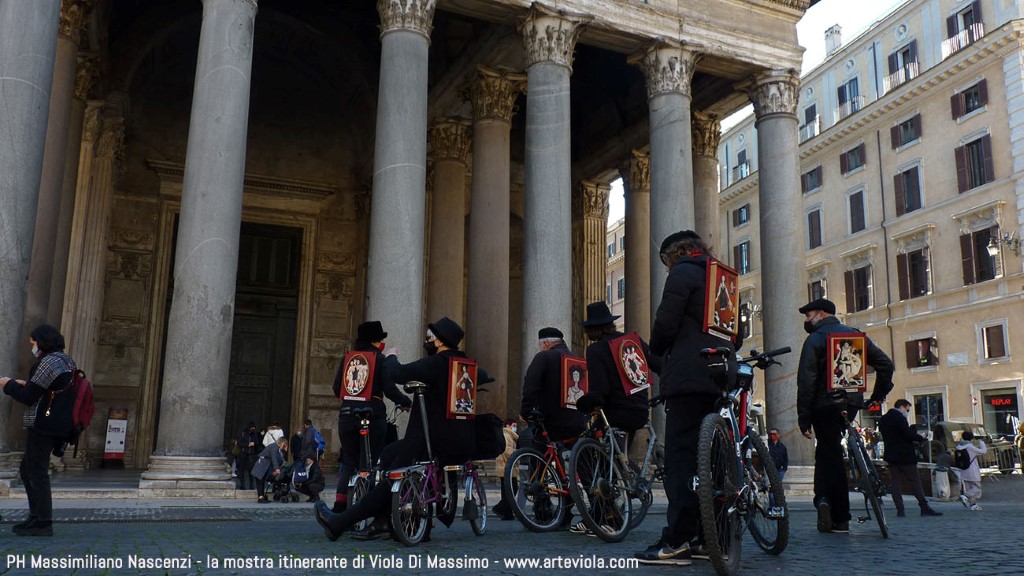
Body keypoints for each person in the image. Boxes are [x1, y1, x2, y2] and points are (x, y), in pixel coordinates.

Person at [314, 316, 480, 541]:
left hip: (430, 440)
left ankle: (340, 521)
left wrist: (390, 357)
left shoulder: (436, 363)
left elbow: (399, 373)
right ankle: (383, 522)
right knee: (389, 455)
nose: (427, 341)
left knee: (390, 474)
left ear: (440, 342)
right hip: (456, 440)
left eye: (429, 338)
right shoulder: (464, 365)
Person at [633, 230, 737, 566]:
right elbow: (736, 331)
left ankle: (677, 540)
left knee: (680, 460)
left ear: (674, 254)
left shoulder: (684, 271)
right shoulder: (721, 274)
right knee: (715, 461)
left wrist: (659, 350)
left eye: (666, 262)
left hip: (688, 374)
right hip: (721, 373)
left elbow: (666, 320)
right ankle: (714, 538)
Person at [797, 298, 894, 534]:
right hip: (849, 404)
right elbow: (886, 365)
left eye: (808, 316)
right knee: (832, 451)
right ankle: (832, 509)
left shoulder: (815, 339)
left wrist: (804, 417)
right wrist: (878, 395)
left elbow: (806, 381)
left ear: (820, 314)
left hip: (823, 406)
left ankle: (832, 509)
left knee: (828, 454)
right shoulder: (855, 336)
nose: (807, 321)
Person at [0, 325, 77, 537]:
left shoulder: (48, 362)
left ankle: (42, 521)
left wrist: (8, 385)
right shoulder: (66, 360)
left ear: (42, 342)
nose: (32, 347)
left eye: (33, 343)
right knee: (28, 470)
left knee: (36, 472)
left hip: (42, 424)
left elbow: (29, 397)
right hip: (55, 423)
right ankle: (36, 517)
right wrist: (27, 385)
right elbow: (47, 389)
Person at [331, 320, 412, 513]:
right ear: (376, 341)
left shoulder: (348, 358)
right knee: (370, 461)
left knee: (349, 460)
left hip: (347, 415)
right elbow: (389, 389)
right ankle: (366, 507)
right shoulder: (380, 358)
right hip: (372, 414)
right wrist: (405, 401)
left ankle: (339, 505)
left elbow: (336, 389)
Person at [512, 327, 587, 525]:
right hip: (577, 422)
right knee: (571, 467)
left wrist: (525, 412)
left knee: (539, 461)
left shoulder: (544, 357)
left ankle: (543, 510)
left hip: (551, 422)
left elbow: (531, 385)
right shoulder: (577, 360)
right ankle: (575, 510)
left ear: (545, 343)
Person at [877, 399, 942, 517]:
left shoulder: (883, 419)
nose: (907, 412)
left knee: (895, 483)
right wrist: (920, 438)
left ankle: (900, 510)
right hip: (905, 455)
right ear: (902, 407)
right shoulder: (900, 418)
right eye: (907, 409)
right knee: (915, 481)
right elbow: (907, 434)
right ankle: (924, 507)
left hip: (891, 455)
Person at [492, 419, 520, 520]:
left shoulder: (506, 435)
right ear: (508, 425)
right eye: (514, 425)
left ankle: (507, 514)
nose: (515, 427)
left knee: (506, 491)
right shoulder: (507, 436)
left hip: (504, 467)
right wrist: (518, 452)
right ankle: (499, 508)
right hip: (508, 467)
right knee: (513, 489)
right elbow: (508, 451)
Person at [955, 430, 987, 511]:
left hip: (964, 470)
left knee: (969, 488)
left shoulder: (959, 446)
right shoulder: (970, 447)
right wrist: (980, 441)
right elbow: (983, 451)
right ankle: (965, 496)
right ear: (971, 438)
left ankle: (973, 504)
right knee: (977, 488)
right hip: (972, 470)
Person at [252, 436, 289, 503]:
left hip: (263, 465)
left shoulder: (275, 447)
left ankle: (261, 497)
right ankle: (260, 498)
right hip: (262, 465)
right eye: (284, 445)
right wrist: (277, 469)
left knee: (261, 481)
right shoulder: (274, 447)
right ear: (282, 443)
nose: (284, 447)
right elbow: (273, 458)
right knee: (260, 481)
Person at [297, 419, 324, 502]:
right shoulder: (314, 430)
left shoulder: (309, 431)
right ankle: (312, 496)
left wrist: (302, 453)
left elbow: (307, 442)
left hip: (309, 453)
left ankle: (315, 497)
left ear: (305, 425)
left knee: (307, 473)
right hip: (312, 454)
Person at [236, 422, 261, 490]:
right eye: (251, 428)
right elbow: (239, 443)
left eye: (254, 428)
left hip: (251, 454)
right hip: (243, 454)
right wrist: (247, 444)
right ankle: (242, 485)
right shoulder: (243, 434)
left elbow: (257, 443)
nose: (253, 429)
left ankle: (251, 485)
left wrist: (254, 444)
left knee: (251, 470)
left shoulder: (254, 434)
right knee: (242, 470)